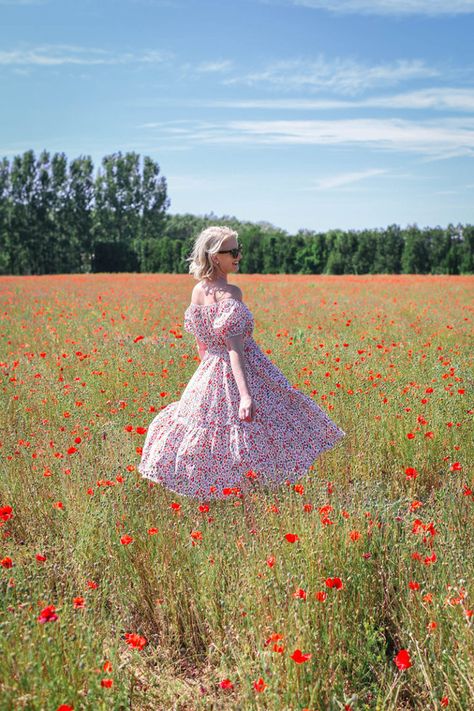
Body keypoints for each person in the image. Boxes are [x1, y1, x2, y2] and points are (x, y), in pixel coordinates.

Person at [138, 226, 345, 521]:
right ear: (214, 256)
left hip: (208, 372)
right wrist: (245, 395)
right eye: (232, 251)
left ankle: (224, 497)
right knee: (256, 429)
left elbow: (202, 345)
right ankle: (252, 499)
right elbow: (235, 350)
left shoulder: (198, 291)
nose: (238, 256)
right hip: (239, 372)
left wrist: (203, 380)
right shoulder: (231, 293)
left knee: (220, 438)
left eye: (239, 249)